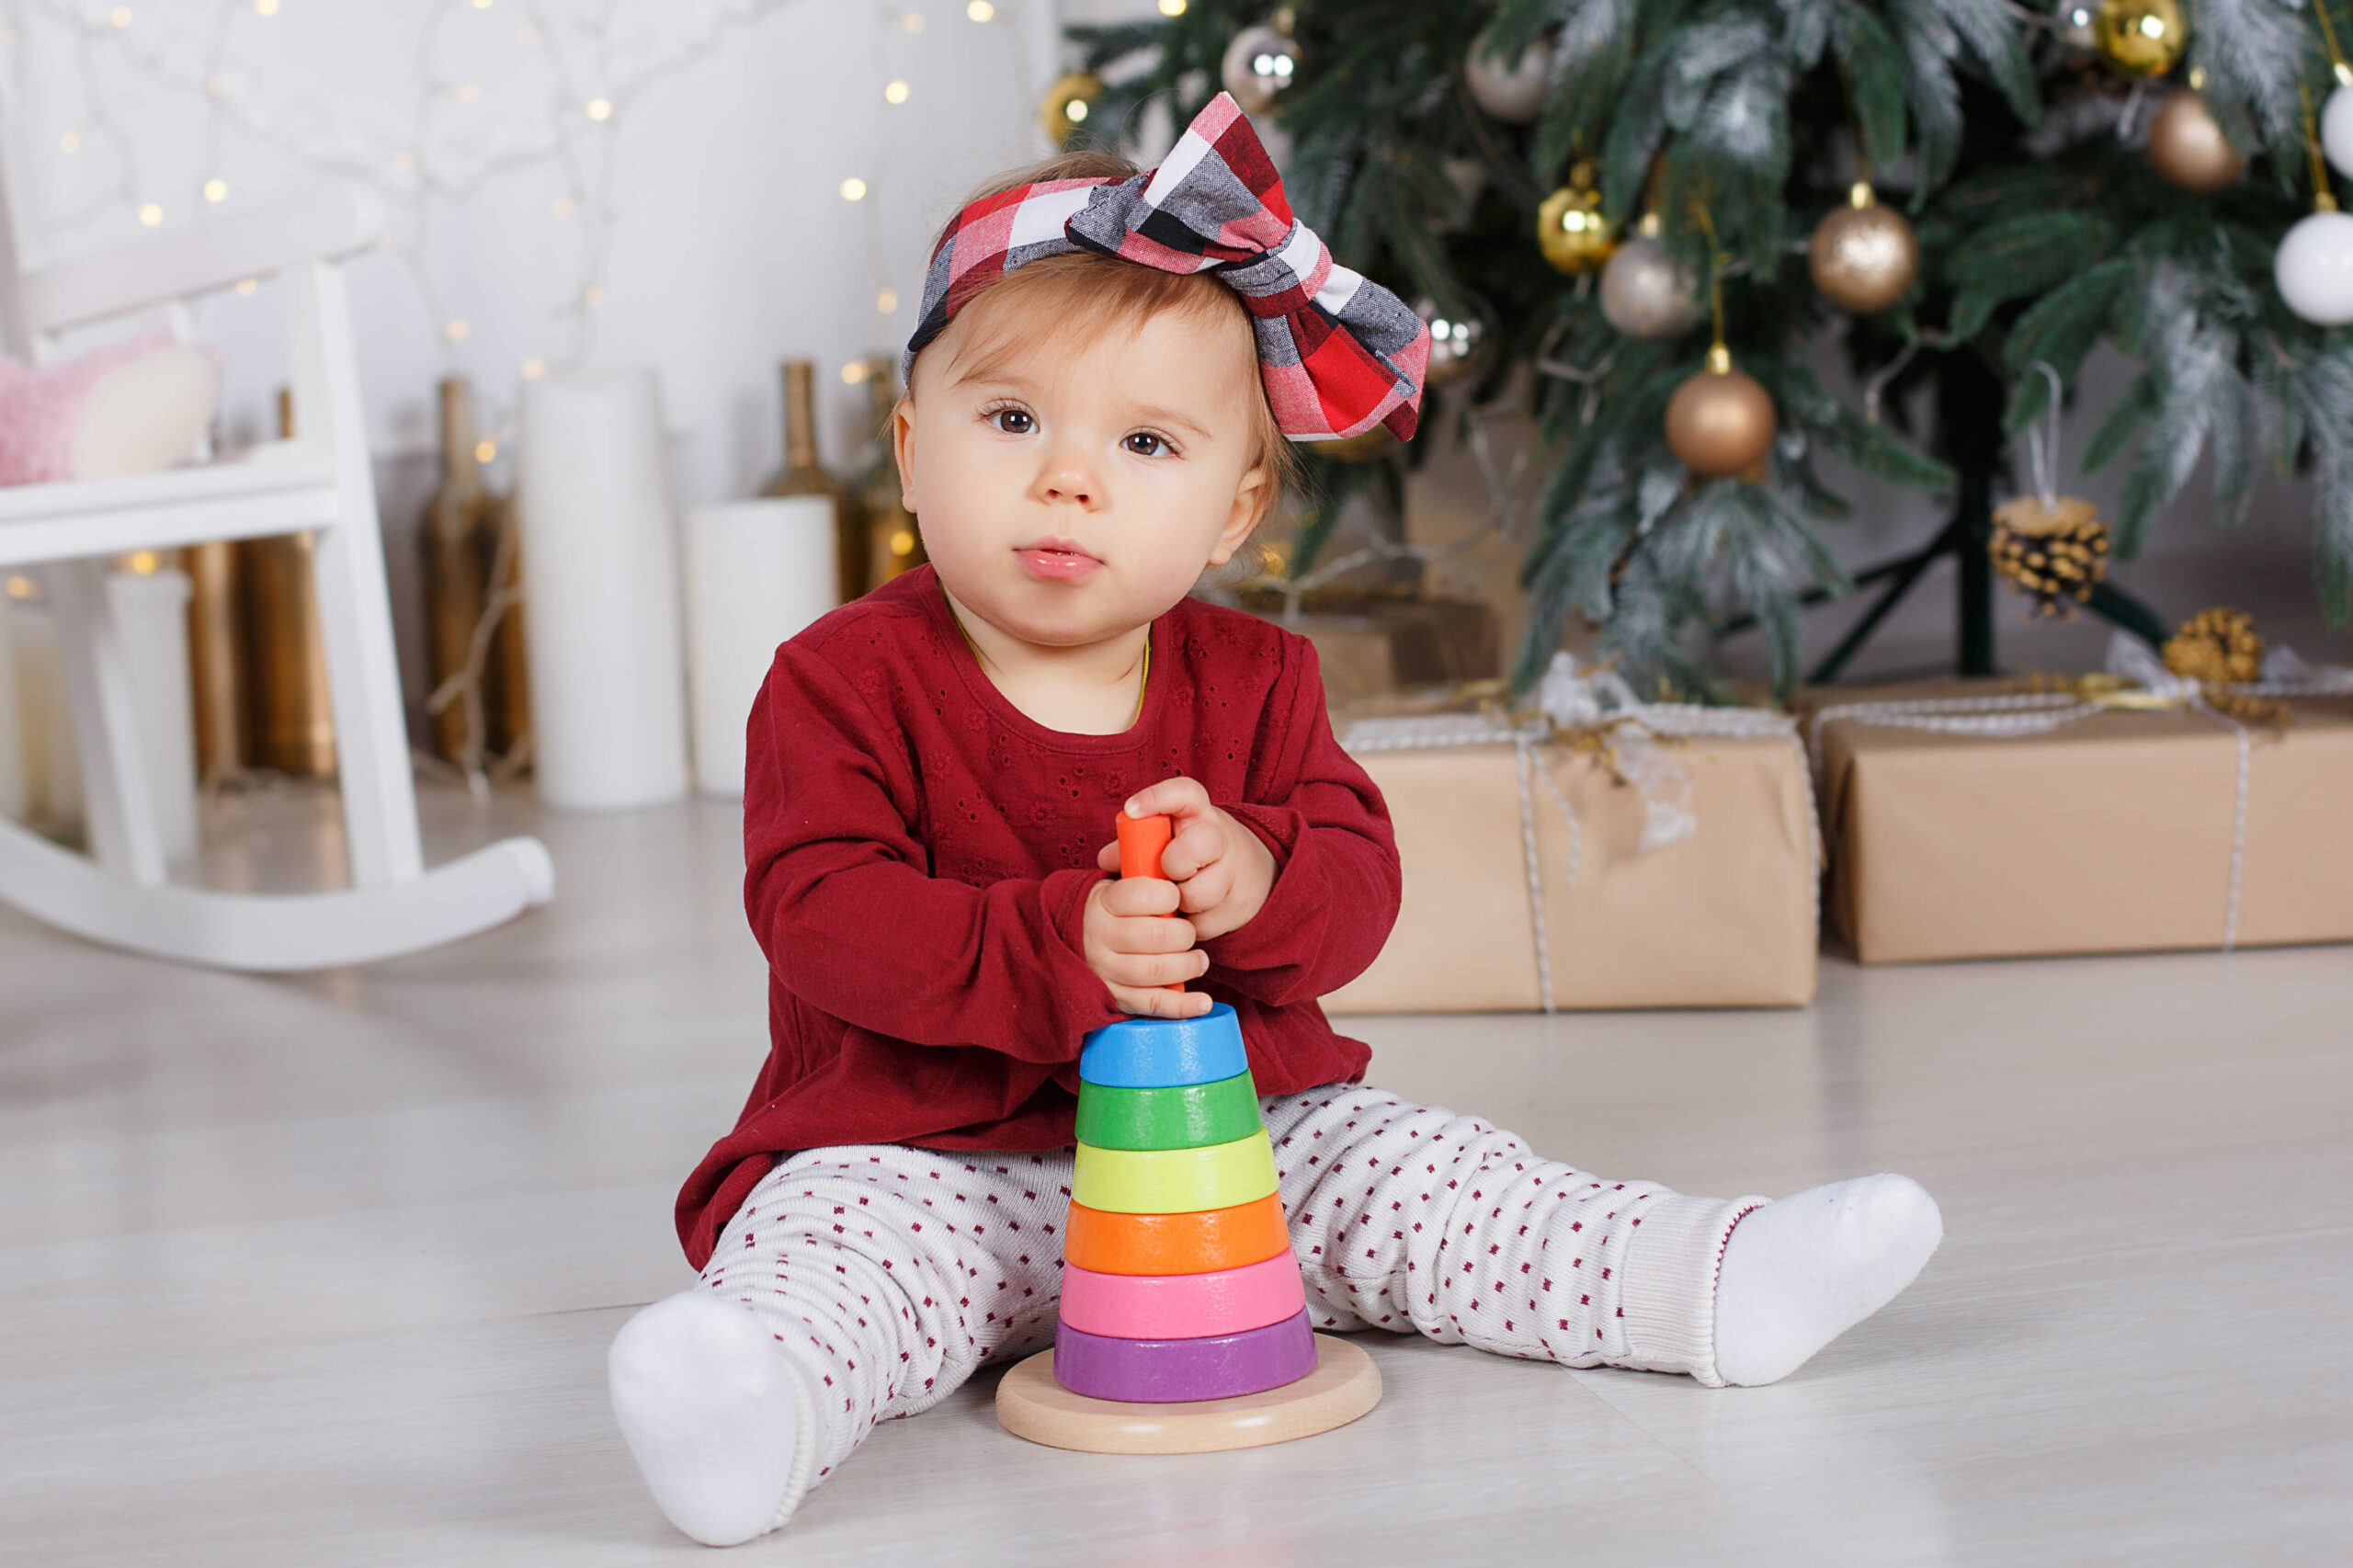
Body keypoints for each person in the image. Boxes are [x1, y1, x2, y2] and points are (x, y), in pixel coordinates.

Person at [608, 94, 1942, 1549]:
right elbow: (819, 913)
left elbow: (1359, 886)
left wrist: (1258, 878)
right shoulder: (842, 679)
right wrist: (1058, 936)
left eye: (1147, 444)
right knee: (833, 1251)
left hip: (1235, 1154)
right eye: (1011, 420)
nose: (1070, 476)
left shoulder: (1260, 677)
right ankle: (761, 1410)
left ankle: (1703, 1278)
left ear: (1239, 507)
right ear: (911, 442)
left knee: (1426, 1176)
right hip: (938, 1157)